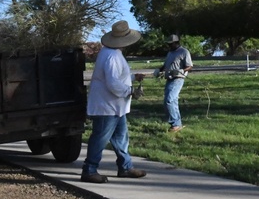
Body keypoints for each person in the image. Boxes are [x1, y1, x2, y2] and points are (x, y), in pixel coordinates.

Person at [80, 20, 148, 184]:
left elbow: (114, 78)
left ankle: (125, 167)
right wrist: (130, 91)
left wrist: (132, 77)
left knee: (120, 138)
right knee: (100, 139)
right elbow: (112, 83)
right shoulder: (112, 56)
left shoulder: (110, 53)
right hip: (107, 106)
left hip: (115, 107)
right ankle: (89, 170)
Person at [155, 34, 193, 132]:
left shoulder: (184, 52)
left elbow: (189, 66)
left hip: (178, 78)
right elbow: (166, 65)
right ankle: (177, 124)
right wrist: (159, 70)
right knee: (172, 101)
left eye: (171, 44)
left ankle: (175, 124)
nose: (169, 46)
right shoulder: (170, 53)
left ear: (176, 43)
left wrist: (181, 71)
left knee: (169, 100)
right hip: (169, 78)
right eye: (168, 44)